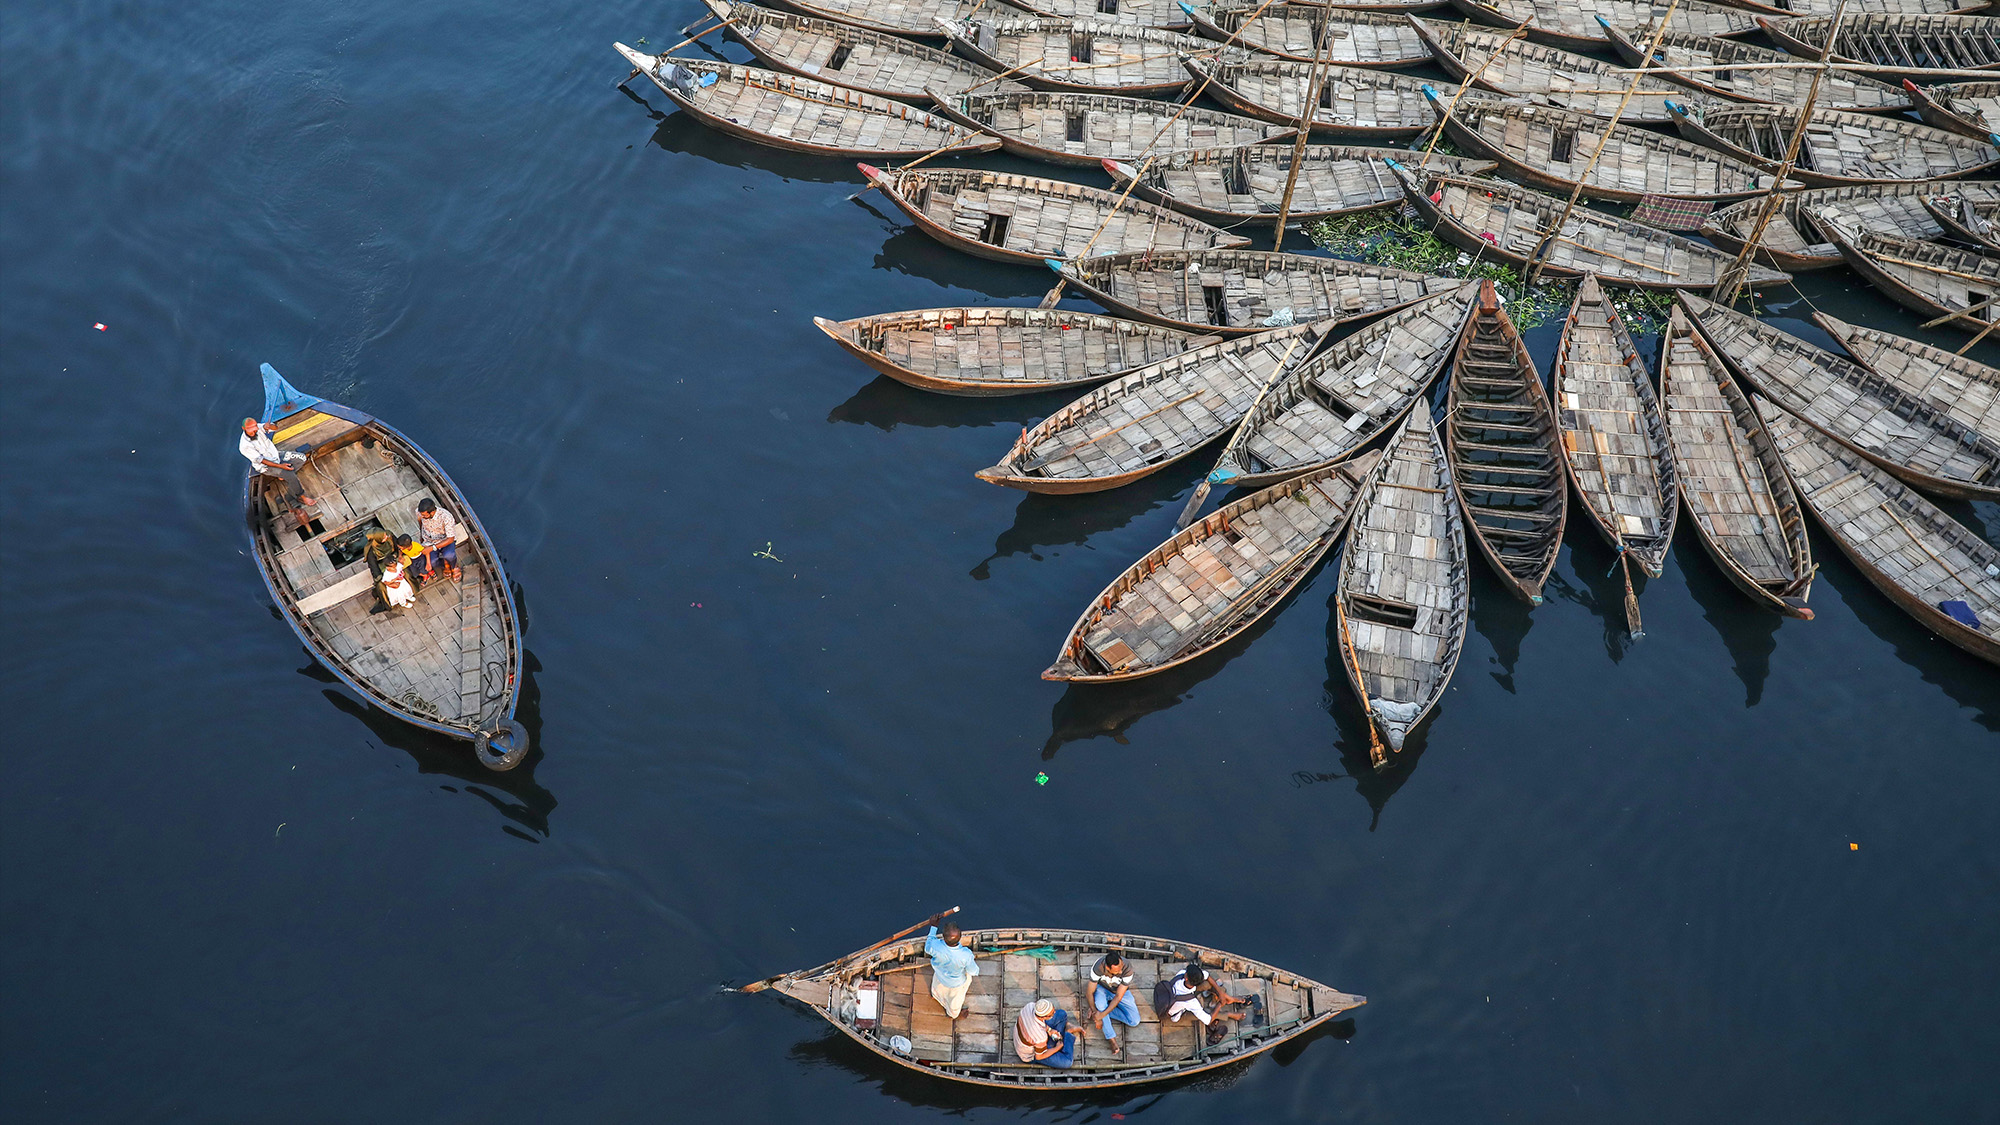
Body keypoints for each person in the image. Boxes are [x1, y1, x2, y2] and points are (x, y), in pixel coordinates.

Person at [239, 418, 314, 508]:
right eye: (250, 428)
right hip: (266, 466)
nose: (254, 429)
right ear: (244, 428)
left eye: (255, 426)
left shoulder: (258, 428)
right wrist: (281, 466)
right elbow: (262, 460)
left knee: (302, 458)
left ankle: (283, 475)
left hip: (276, 456)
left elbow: (275, 428)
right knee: (291, 476)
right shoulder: (245, 446)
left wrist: (269, 426)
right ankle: (301, 496)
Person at [922, 915, 978, 1020]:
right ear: (960, 937)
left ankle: (936, 996)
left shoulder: (935, 946)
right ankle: (954, 1015)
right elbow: (973, 971)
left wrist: (933, 926)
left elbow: (928, 946)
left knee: (937, 990)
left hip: (940, 976)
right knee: (954, 1005)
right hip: (956, 984)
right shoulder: (966, 954)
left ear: (943, 936)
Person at [1162, 963, 1247, 1030]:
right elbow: (1208, 1020)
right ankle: (1229, 1014)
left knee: (1207, 984)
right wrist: (1220, 1004)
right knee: (1206, 1012)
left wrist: (1220, 993)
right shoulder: (1191, 1003)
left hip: (1170, 995)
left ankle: (1228, 998)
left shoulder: (1181, 974)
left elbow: (1207, 976)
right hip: (1172, 1013)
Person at [1088, 950, 1140, 1054]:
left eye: (1121, 967)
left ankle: (1103, 1011)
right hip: (1102, 989)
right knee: (1100, 1004)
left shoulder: (1127, 968)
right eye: (1117, 971)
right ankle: (1111, 1038)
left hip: (1119, 991)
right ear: (1108, 968)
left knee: (1134, 1021)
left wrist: (1101, 1015)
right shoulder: (1098, 968)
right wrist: (1095, 1011)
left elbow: (1118, 996)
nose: (1121, 972)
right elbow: (1089, 992)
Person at [1014, 998, 1075, 1069]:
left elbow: (1039, 1023)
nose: (1054, 1012)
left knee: (1062, 1014)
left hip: (1025, 1036)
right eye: (1051, 1014)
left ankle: (1055, 1043)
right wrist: (1057, 1047)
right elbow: (1039, 1056)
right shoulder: (1040, 1037)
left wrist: (1049, 1030)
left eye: (1053, 1009)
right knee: (1067, 1062)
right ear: (1044, 1017)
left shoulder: (1029, 1006)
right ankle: (1068, 1033)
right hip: (1030, 1055)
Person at [414, 499, 463, 584]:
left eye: (425, 515)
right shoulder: (419, 512)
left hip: (445, 540)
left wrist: (432, 548)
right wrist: (421, 535)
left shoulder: (446, 517)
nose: (422, 517)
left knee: (449, 555)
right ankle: (446, 565)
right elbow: (420, 522)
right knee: (432, 562)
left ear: (432, 512)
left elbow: (450, 538)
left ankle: (454, 566)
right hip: (429, 540)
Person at [363, 529, 398, 611]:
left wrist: (397, 558)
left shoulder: (390, 536)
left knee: (405, 573)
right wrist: (385, 580)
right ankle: (388, 604)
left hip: (394, 560)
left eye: (385, 535)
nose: (387, 537)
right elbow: (374, 568)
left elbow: (398, 547)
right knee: (381, 586)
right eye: (384, 537)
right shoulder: (371, 551)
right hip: (383, 567)